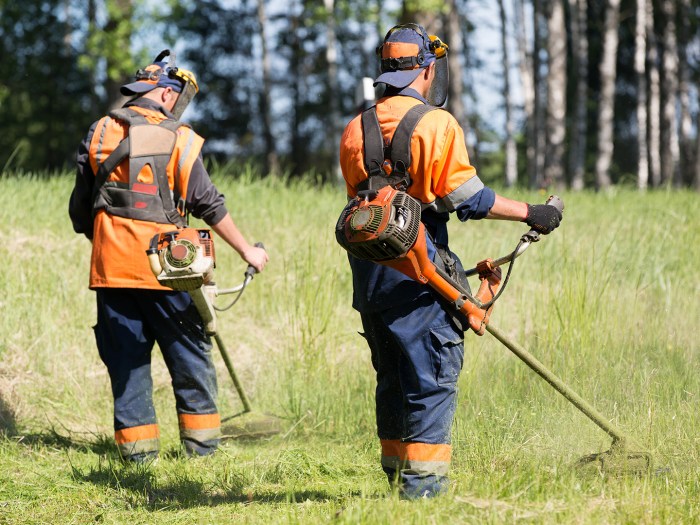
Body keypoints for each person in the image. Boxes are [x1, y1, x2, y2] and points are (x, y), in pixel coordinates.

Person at [338, 24, 561, 498]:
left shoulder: (356, 128)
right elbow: (470, 199)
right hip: (421, 280)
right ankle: (422, 497)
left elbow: (370, 207)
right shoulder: (436, 124)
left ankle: (398, 485)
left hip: (372, 280)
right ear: (425, 70)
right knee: (431, 380)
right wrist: (533, 213)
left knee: (393, 380)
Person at [69, 51, 269, 462]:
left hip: (111, 271)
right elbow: (208, 204)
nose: (179, 107)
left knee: (126, 365)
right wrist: (249, 250)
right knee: (190, 357)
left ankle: (138, 459)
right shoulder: (181, 138)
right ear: (163, 93)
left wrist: (111, 243)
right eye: (177, 98)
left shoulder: (100, 131)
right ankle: (201, 454)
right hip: (169, 270)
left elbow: (80, 211)